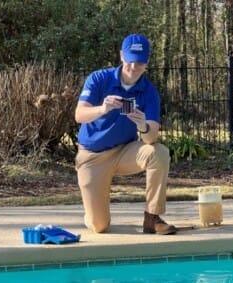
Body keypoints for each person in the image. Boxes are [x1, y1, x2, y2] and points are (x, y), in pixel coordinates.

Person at [74, 33, 176, 235]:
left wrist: (142, 125)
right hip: (92, 155)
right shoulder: (98, 79)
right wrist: (102, 109)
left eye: (139, 62)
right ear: (121, 56)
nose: (133, 67)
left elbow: (151, 138)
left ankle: (152, 217)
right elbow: (79, 115)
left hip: (125, 151)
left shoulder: (149, 92)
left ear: (147, 62)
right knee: (99, 226)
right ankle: (92, 211)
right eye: (130, 60)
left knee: (159, 153)